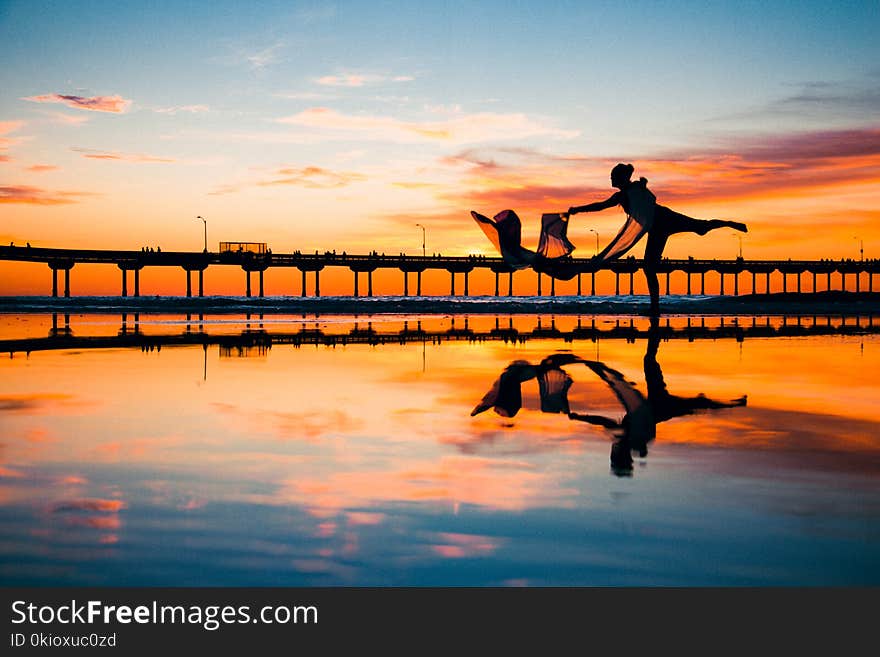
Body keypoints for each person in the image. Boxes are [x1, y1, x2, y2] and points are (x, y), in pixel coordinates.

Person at [568, 163, 747, 314]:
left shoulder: (632, 189)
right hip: (656, 229)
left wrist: (642, 185)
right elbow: (602, 206)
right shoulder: (623, 194)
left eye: (613, 176)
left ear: (621, 177)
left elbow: (642, 198)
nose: (611, 179)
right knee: (649, 266)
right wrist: (578, 210)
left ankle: (729, 223)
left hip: (665, 218)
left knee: (701, 226)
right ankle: (655, 307)